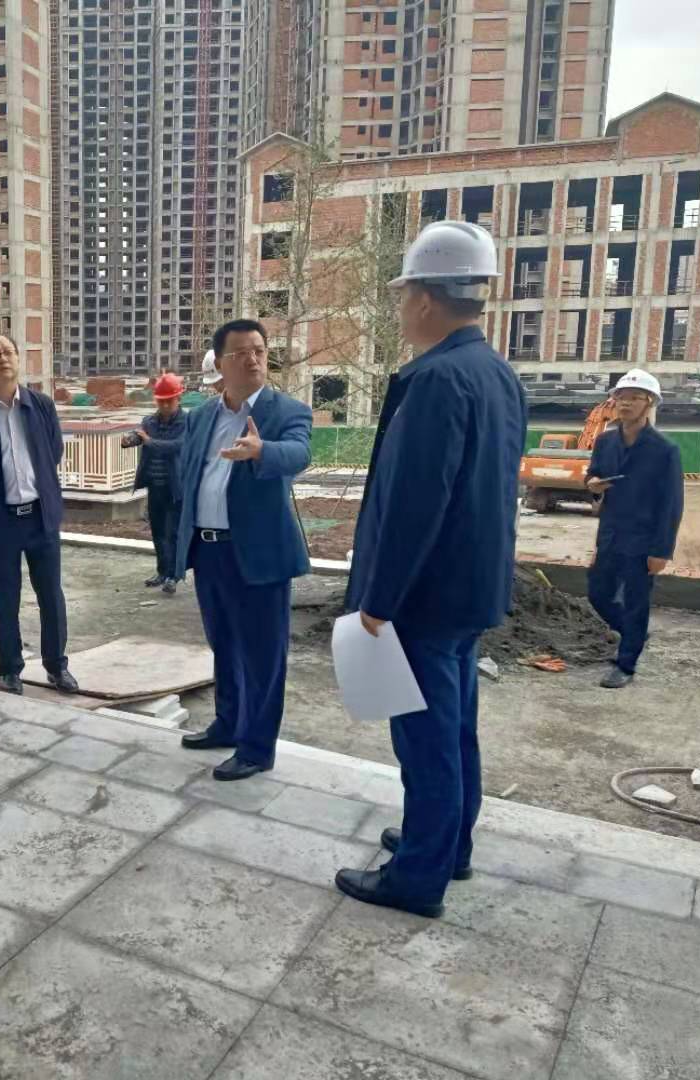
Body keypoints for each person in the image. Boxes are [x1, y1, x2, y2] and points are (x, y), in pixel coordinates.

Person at [336, 221, 527, 919]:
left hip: (424, 597)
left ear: (422, 297)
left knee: (425, 741)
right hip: (468, 590)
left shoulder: (438, 379)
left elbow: (415, 505)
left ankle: (418, 875)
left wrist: (379, 602)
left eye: (402, 295)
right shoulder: (496, 373)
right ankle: (449, 844)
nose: (400, 309)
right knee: (454, 728)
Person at [174, 320, 312, 782]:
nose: (252, 359)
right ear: (220, 363)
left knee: (263, 656)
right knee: (224, 646)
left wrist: (261, 451)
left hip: (258, 555)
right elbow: (190, 475)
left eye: (259, 350)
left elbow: (298, 453)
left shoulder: (287, 411)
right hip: (209, 551)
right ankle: (228, 723)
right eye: (241, 353)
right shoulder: (200, 418)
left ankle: (256, 748)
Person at [0, 334, 78, 695]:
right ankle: (9, 669)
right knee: (4, 597)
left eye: (8, 351)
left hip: (41, 516)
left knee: (51, 594)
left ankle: (57, 666)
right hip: (0, 521)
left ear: (19, 360)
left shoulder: (41, 406)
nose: (3, 357)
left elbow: (53, 452)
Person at [586, 369, 684, 689]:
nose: (625, 403)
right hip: (611, 534)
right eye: (620, 397)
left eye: (634, 398)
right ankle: (634, 633)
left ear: (650, 402)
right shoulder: (605, 441)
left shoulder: (664, 450)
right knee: (598, 593)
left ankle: (626, 664)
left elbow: (671, 504)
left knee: (635, 602)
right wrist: (593, 484)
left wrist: (662, 551)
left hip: (643, 540)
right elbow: (592, 475)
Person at [122, 371, 187, 595]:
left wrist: (149, 442)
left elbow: (177, 446)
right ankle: (162, 571)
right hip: (155, 487)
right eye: (161, 401)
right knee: (158, 532)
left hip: (175, 487)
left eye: (170, 400)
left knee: (173, 533)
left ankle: (173, 576)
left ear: (178, 398)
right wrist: (131, 439)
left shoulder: (186, 422)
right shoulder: (149, 421)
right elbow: (140, 435)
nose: (165, 405)